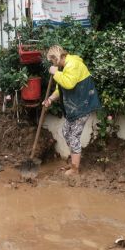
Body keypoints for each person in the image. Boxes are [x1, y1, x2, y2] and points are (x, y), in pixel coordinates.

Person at [42, 45, 101, 176]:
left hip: (83, 105)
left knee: (73, 136)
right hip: (75, 106)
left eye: (52, 60)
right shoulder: (65, 67)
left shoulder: (73, 64)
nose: (52, 63)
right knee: (66, 132)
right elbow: (61, 88)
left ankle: (75, 169)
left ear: (56, 58)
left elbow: (69, 83)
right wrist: (50, 99)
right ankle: (74, 162)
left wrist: (55, 73)